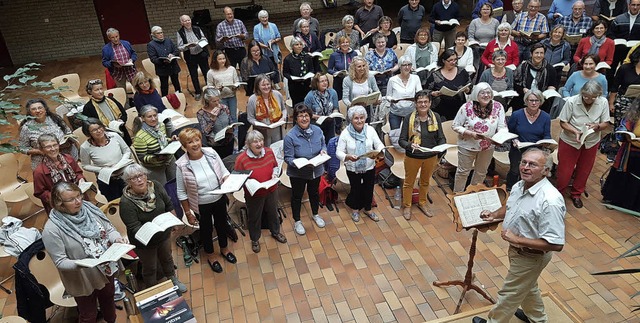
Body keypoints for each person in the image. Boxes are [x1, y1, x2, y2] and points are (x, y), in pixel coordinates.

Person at [472, 148, 565, 323]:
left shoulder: (550, 200)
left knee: (510, 293)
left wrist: (517, 240)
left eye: (533, 164)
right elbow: (511, 207)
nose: (526, 167)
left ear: (546, 171)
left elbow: (556, 244)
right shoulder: (520, 185)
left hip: (531, 256)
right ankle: (537, 319)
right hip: (518, 252)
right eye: (524, 162)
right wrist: (494, 215)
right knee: (528, 287)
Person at [42, 182, 125, 323]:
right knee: (88, 314)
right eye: (71, 199)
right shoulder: (52, 230)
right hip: (82, 276)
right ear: (59, 203)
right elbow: (60, 261)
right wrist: (83, 264)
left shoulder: (89, 208)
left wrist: (116, 238)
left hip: (105, 267)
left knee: (108, 299)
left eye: (79, 195)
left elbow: (109, 229)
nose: (79, 201)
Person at [119, 164, 187, 292]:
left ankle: (173, 279)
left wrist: (174, 221)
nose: (139, 180)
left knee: (167, 258)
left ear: (146, 175)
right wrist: (151, 230)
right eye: (134, 178)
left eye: (141, 175)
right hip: (144, 241)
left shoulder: (155, 185)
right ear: (128, 182)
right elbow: (134, 226)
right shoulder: (126, 203)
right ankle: (153, 289)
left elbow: (168, 203)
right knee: (150, 267)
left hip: (163, 234)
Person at [176, 128, 235, 273]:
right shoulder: (181, 165)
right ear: (184, 146)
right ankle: (211, 256)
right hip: (200, 205)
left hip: (219, 198)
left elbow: (224, 171)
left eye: (197, 140)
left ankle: (225, 249)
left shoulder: (212, 153)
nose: (195, 144)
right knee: (206, 230)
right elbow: (181, 192)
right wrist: (188, 213)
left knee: (222, 225)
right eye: (190, 142)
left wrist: (228, 181)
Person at [557, 80, 610, 208]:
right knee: (565, 171)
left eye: (592, 97)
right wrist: (575, 131)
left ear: (598, 95)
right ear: (582, 93)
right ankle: (559, 195)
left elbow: (606, 123)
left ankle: (576, 194)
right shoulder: (572, 101)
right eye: (586, 96)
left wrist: (597, 126)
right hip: (570, 140)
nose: (588, 99)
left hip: (591, 141)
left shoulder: (603, 102)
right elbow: (563, 122)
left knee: (584, 170)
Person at [234, 130, 287, 253]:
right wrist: (250, 183)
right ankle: (255, 239)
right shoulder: (241, 159)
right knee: (254, 217)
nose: (259, 144)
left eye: (260, 140)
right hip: (254, 194)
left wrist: (274, 174)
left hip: (271, 189)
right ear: (248, 144)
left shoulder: (268, 151)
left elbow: (275, 166)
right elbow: (238, 177)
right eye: (255, 142)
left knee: (273, 212)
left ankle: (275, 232)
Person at [398, 91, 445, 220]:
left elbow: (441, 138)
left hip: (430, 157)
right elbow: (401, 140)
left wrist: (441, 147)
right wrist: (409, 145)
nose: (423, 104)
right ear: (415, 103)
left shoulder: (436, 117)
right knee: (409, 182)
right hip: (413, 157)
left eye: (425, 101)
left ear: (430, 103)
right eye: (420, 102)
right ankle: (407, 205)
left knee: (425, 182)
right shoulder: (409, 118)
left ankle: (422, 203)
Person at [451, 82, 506, 193]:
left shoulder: (498, 107)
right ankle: (458, 195)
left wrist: (500, 137)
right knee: (463, 172)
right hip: (467, 145)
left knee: (481, 172)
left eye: (488, 92)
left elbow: (502, 127)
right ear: (476, 94)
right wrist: (471, 134)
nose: (486, 95)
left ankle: (473, 194)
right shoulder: (466, 107)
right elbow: (455, 126)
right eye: (482, 93)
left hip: (488, 147)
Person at [283, 104, 327, 236]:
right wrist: (298, 163)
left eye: (306, 115)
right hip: (298, 173)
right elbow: (288, 158)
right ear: (296, 119)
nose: (304, 118)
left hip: (316, 169)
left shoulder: (317, 130)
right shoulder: (290, 136)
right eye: (300, 116)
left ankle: (315, 214)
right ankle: (297, 221)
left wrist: (323, 150)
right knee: (297, 196)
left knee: (314, 193)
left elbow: (323, 143)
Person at [336, 105, 384, 222]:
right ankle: (355, 209)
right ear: (351, 120)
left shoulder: (370, 130)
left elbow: (379, 144)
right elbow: (338, 152)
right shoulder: (345, 133)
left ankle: (368, 209)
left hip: (369, 166)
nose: (359, 121)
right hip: (353, 167)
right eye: (356, 118)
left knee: (369, 188)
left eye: (362, 118)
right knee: (355, 189)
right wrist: (347, 156)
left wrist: (381, 150)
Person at [506, 90, 551, 190]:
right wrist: (514, 140)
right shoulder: (517, 114)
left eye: (537, 100)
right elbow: (510, 132)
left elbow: (547, 135)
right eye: (531, 100)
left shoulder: (546, 117)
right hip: (518, 149)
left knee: (533, 172)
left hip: (536, 151)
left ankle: (529, 189)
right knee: (515, 171)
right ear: (526, 101)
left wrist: (547, 142)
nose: (534, 103)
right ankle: (510, 189)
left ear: (541, 101)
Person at [601, 97, 640, 211]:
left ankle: (633, 205)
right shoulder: (634, 114)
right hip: (629, 151)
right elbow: (623, 127)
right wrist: (627, 135)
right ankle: (614, 200)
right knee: (621, 174)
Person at [79, 118, 130, 201]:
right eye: (94, 130)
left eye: (100, 127)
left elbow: (127, 150)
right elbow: (85, 165)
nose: (99, 131)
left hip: (124, 173)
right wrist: (102, 169)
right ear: (89, 133)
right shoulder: (85, 147)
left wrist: (122, 162)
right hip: (107, 180)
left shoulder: (115, 136)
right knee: (117, 202)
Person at [19, 98, 76, 170]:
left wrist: (69, 141)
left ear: (45, 109)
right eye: (34, 109)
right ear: (30, 112)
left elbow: (68, 133)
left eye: (40, 108)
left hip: (64, 155)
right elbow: (22, 148)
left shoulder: (55, 119)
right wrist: (40, 151)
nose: (37, 111)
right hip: (42, 161)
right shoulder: (27, 127)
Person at [33, 134, 85, 214]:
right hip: (61, 206)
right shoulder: (39, 172)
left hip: (78, 199)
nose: (53, 149)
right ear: (41, 150)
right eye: (48, 147)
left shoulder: (68, 158)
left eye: (55, 145)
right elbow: (40, 193)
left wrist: (81, 179)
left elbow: (78, 173)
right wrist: (60, 197)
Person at [132, 105, 177, 185]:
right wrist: (155, 158)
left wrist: (171, 140)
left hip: (169, 161)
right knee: (163, 189)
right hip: (155, 168)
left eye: (155, 115)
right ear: (143, 119)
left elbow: (163, 139)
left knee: (176, 184)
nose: (153, 119)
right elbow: (142, 157)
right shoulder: (140, 137)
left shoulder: (161, 125)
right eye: (149, 117)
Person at [425, 49, 471, 122]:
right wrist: (433, 93)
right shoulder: (435, 75)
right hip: (441, 110)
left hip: (459, 108)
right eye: (450, 60)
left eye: (455, 59)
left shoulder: (462, 71)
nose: (453, 62)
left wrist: (467, 89)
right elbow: (425, 91)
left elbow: (470, 87)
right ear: (443, 61)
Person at [81, 79, 131, 145]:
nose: (100, 92)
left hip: (121, 131)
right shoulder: (88, 107)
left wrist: (121, 120)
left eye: (101, 89)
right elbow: (89, 125)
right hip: (104, 136)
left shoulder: (111, 100)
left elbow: (124, 114)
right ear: (90, 92)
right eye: (97, 90)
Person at [512, 43, 557, 113]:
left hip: (542, 100)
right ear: (531, 53)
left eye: (541, 53)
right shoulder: (523, 66)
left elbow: (552, 85)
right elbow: (515, 83)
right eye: (536, 53)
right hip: (523, 99)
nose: (539, 55)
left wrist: (549, 90)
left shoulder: (550, 69)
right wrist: (523, 89)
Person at [607, 0, 640, 89]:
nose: (635, 7)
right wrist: (615, 40)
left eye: (637, 5)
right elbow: (610, 33)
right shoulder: (619, 18)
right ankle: (610, 88)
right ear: (629, 5)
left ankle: (625, 90)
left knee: (629, 71)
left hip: (635, 50)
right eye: (633, 5)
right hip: (618, 48)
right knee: (611, 69)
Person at [246, 74, 287, 145]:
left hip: (277, 129)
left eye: (268, 84)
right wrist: (259, 124)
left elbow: (284, 109)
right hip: (261, 132)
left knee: (277, 149)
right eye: (263, 85)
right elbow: (250, 118)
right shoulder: (252, 99)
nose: (266, 87)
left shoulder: (277, 94)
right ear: (257, 86)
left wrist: (283, 117)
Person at [177, 14, 209, 101]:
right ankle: (198, 91)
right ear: (182, 23)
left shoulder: (197, 28)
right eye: (185, 21)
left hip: (201, 53)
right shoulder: (180, 32)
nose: (187, 22)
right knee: (194, 74)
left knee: (206, 72)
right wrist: (187, 46)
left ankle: (209, 89)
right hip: (190, 56)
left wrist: (200, 42)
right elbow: (180, 47)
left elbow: (205, 39)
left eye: (188, 20)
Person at [197, 88, 234, 158]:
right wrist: (212, 120)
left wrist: (232, 128)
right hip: (216, 145)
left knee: (229, 160)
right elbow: (205, 132)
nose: (217, 103)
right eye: (214, 101)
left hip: (228, 140)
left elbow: (230, 121)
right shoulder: (201, 113)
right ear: (207, 101)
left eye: (218, 100)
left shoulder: (224, 108)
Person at [387, 56, 422, 130]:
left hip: (411, 111)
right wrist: (392, 99)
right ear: (400, 66)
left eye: (409, 65)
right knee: (395, 135)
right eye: (404, 65)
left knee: (413, 134)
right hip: (396, 112)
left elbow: (419, 93)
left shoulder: (416, 78)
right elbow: (388, 96)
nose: (407, 67)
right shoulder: (392, 80)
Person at [283, 37, 319, 106]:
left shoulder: (307, 57)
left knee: (308, 104)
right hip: (294, 86)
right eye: (296, 44)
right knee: (297, 105)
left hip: (306, 84)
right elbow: (285, 73)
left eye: (300, 44)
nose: (299, 46)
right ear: (292, 46)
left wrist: (309, 75)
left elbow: (311, 69)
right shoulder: (288, 59)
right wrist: (292, 78)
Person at [304, 73, 340, 143]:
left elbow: (335, 107)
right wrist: (317, 116)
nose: (325, 83)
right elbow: (306, 113)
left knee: (330, 143)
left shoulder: (333, 92)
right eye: (322, 81)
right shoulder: (310, 96)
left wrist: (334, 113)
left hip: (330, 122)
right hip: (316, 124)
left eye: (326, 80)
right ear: (316, 83)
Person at [147, 26, 182, 97]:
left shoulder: (168, 40)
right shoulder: (151, 45)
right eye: (158, 33)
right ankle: (164, 100)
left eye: (161, 32)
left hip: (173, 66)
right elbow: (153, 59)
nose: (161, 34)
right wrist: (163, 61)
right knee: (164, 86)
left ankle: (180, 98)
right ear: (153, 35)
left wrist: (172, 54)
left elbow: (176, 50)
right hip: (162, 69)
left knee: (176, 84)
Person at [342, 56, 380, 121]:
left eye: (363, 66)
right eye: (359, 66)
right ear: (354, 68)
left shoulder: (370, 77)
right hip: (353, 110)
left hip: (367, 109)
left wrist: (378, 99)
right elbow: (345, 98)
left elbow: (377, 91)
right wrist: (351, 105)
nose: (362, 68)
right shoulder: (347, 80)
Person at [207, 49, 240, 123]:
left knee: (233, 116)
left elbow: (236, 81)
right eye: (220, 59)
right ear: (215, 60)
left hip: (232, 96)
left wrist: (236, 86)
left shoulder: (232, 69)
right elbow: (209, 87)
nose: (222, 61)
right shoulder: (211, 72)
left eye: (223, 58)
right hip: (220, 98)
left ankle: (235, 133)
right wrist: (217, 89)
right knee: (224, 117)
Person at [610, 50, 640, 127]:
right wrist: (611, 103)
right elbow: (615, 86)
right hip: (623, 101)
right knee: (621, 126)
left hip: (638, 101)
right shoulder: (624, 68)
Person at [328, 35, 358, 100]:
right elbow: (329, 69)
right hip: (338, 81)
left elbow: (357, 66)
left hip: (351, 80)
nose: (345, 44)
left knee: (351, 99)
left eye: (347, 42)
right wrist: (336, 73)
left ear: (349, 43)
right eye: (343, 42)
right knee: (340, 99)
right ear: (339, 44)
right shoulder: (334, 55)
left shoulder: (354, 54)